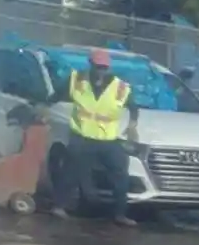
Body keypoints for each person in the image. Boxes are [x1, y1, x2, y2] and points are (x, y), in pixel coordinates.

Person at [55, 48, 137, 226]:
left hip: (108, 140)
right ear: (91, 65)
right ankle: (59, 206)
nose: (101, 70)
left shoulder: (120, 87)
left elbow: (133, 107)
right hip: (82, 136)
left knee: (120, 175)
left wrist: (132, 125)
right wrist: (43, 107)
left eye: (104, 67)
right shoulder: (76, 80)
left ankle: (120, 214)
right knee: (71, 171)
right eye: (98, 67)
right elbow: (55, 95)